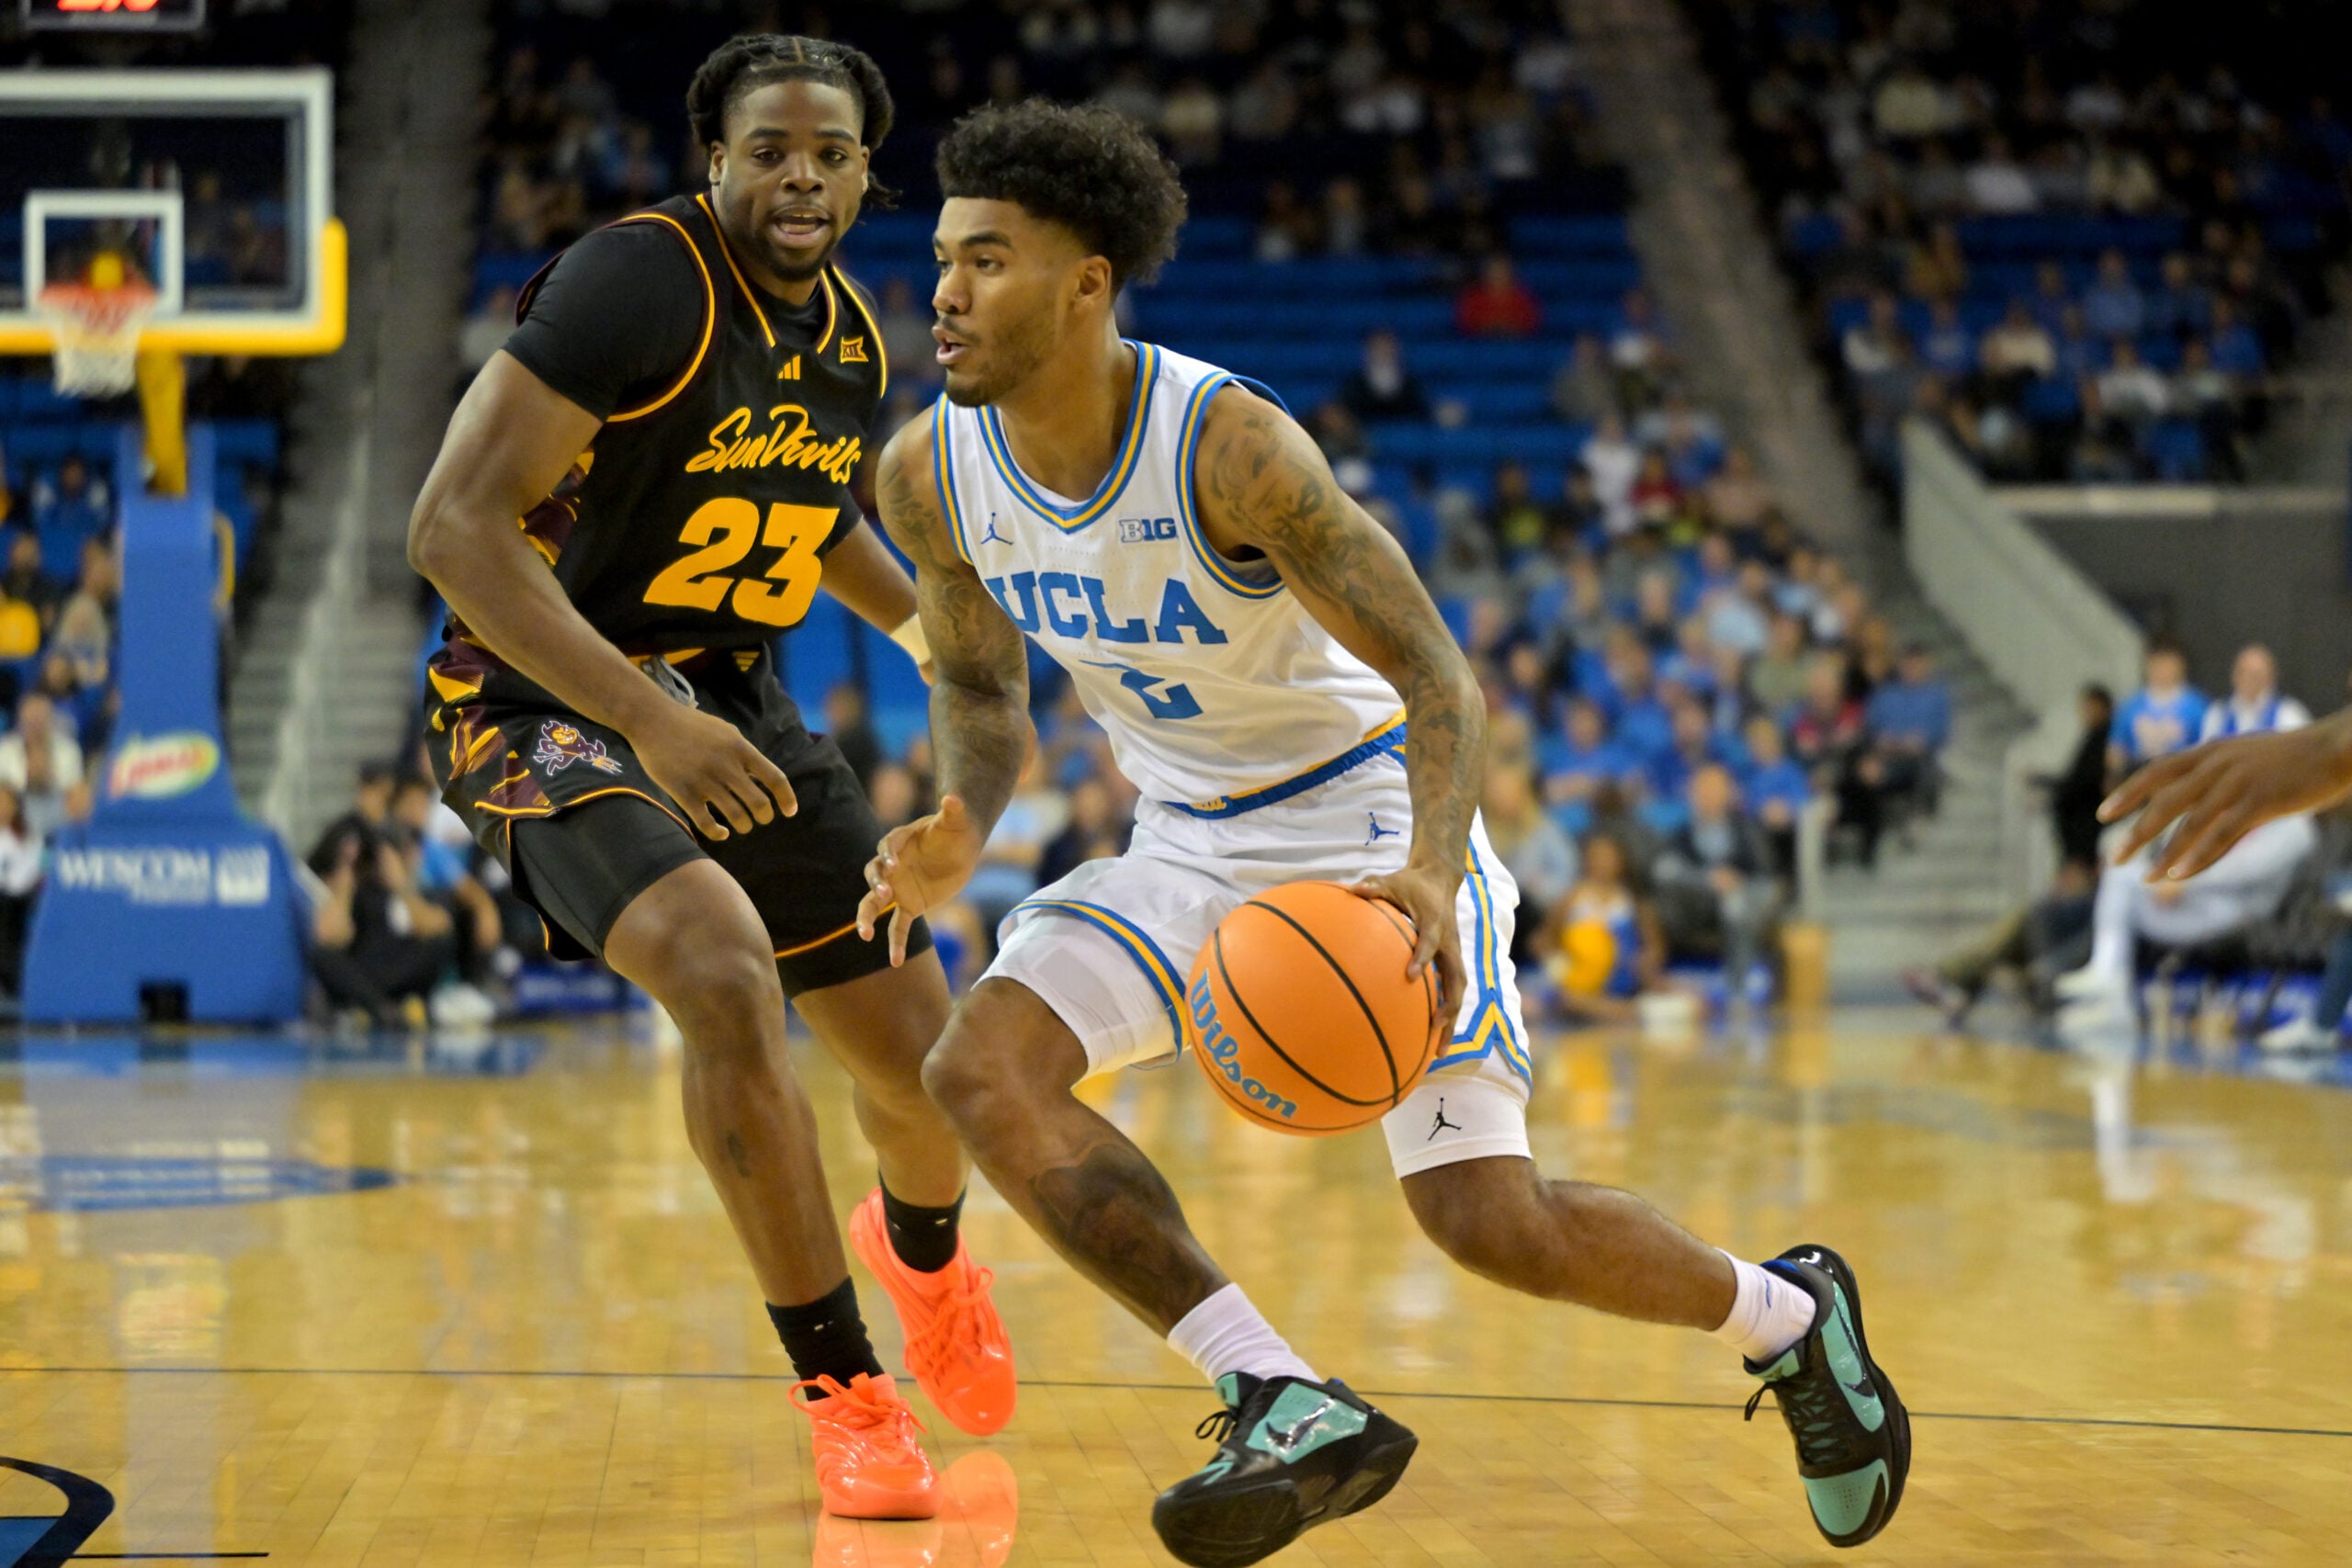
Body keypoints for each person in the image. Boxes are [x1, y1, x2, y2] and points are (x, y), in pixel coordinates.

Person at [864, 101, 1907, 1566]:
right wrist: (965, 816)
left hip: (1366, 815)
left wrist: (1425, 865)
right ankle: (1276, 1389)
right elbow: (978, 682)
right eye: (942, 261)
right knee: (979, 1065)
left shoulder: (1229, 449)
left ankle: (1793, 1316)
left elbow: (1438, 678)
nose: (947, 295)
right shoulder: (932, 471)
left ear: (1087, 282)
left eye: (986, 260)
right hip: (1186, 832)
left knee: (1486, 1219)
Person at [402, 34, 1010, 1517]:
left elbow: (804, 515)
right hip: (535, 693)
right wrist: (649, 722)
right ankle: (845, 1391)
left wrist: (944, 632)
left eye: (830, 152)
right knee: (723, 973)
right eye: (768, 149)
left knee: (925, 1066)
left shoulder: (853, 338)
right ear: (714, 161)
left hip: (727, 697)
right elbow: (453, 530)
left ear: (868, 171)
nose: (799, 174)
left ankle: (921, 1254)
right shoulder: (634, 281)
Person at [1651, 763, 1782, 996]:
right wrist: (1708, 879)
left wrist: (1735, 881)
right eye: (1702, 788)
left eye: (1715, 788)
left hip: (1741, 900)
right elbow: (1665, 871)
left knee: (1742, 903)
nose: (1708, 795)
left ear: (1729, 793)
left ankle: (1738, 985)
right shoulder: (1680, 835)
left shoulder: (1748, 830)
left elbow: (1765, 873)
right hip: (1695, 904)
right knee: (1667, 875)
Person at [1546, 831, 1660, 1024]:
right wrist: (1558, 966)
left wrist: (1645, 962)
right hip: (1583, 985)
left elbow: (1654, 945)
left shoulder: (1633, 901)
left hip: (1623, 979)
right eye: (1596, 857)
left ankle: (1621, 1010)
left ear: (1621, 861)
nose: (1602, 863)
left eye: (1608, 856)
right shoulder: (1572, 898)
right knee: (1571, 999)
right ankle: (1622, 1012)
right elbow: (1545, 940)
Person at [2108, 638, 2205, 781]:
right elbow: (2115, 750)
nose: (2161, 669)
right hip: (2139, 781)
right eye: (2156, 663)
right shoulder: (2130, 706)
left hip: (2180, 782)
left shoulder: (2197, 707)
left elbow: (2206, 751)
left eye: (2167, 663)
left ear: (2180, 665)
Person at [2198, 643, 2308, 742]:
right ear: (2234, 675)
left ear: (2271, 678)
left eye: (2256, 675)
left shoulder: (2289, 715)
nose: (2249, 680)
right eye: (2243, 672)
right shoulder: (2217, 714)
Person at [1336, 329, 1431, 424]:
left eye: (1387, 347)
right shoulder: (1355, 382)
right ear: (1368, 351)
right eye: (1377, 348)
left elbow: (1421, 410)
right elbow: (1346, 411)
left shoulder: (1410, 382)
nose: (1383, 352)